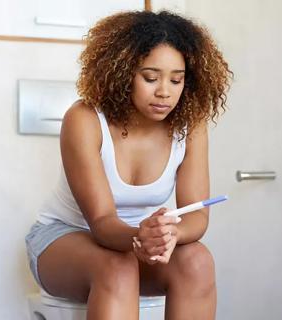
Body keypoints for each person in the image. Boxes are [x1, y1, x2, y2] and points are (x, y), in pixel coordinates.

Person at [25, 10, 232, 320]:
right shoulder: (85, 119)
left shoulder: (190, 125)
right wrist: (142, 237)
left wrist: (171, 235)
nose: (164, 91)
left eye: (176, 79)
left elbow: (197, 215)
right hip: (67, 238)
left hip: (142, 242)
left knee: (198, 261)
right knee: (118, 266)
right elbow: (103, 222)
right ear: (122, 73)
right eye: (150, 77)